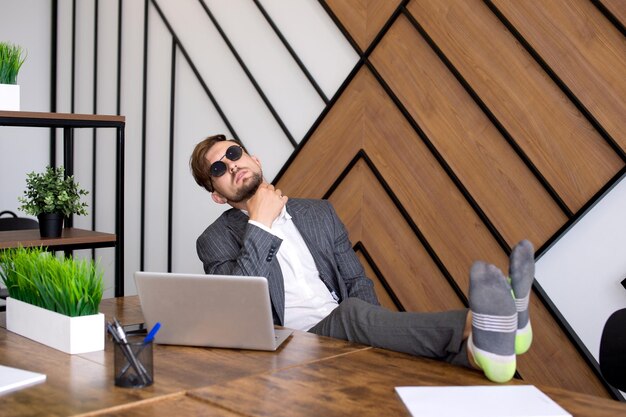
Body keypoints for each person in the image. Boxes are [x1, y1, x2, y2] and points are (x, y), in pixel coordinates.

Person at [190, 134, 535, 383]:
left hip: (350, 329)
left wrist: (376, 345)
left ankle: (483, 351)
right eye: (218, 169)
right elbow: (239, 312)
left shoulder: (318, 213)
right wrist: (260, 224)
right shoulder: (214, 241)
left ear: (255, 160)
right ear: (218, 197)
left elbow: (357, 282)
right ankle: (487, 322)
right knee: (350, 314)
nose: (232, 165)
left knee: (365, 320)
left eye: (234, 153)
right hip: (292, 345)